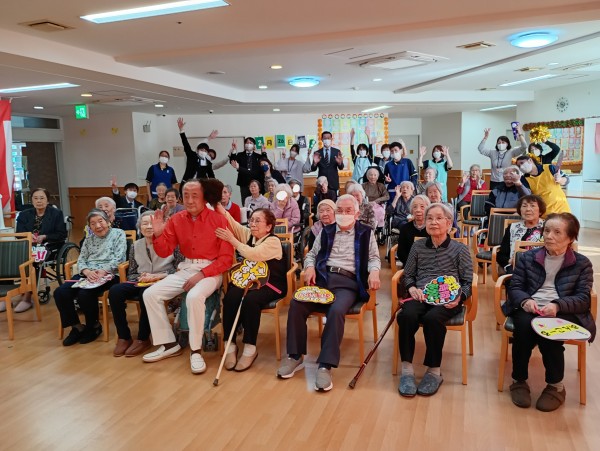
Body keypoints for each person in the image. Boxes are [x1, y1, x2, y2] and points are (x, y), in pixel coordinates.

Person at [277, 195, 381, 392]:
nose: (343, 214)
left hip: (348, 283)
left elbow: (374, 258)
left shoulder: (366, 232)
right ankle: (295, 356)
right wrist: (309, 267)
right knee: (297, 303)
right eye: (339, 210)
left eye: (348, 210)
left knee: (336, 310)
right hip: (323, 279)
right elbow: (311, 254)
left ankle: (325, 365)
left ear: (357, 214)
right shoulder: (327, 231)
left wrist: (374, 272)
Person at [142, 179, 234, 374]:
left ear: (204, 197)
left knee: (193, 296)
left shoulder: (218, 220)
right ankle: (169, 344)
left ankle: (196, 350)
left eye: (195, 196)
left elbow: (226, 259)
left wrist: (202, 274)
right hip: (186, 268)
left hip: (212, 270)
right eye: (186, 196)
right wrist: (158, 234)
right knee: (150, 294)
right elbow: (165, 251)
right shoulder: (177, 219)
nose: (190, 200)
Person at [507, 213, 594, 412]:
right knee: (523, 328)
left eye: (557, 232)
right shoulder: (528, 257)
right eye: (546, 230)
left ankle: (556, 386)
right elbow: (515, 287)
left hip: (562, 310)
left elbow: (583, 298)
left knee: (550, 335)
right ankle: (518, 380)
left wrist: (557, 305)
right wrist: (526, 301)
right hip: (531, 306)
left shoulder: (582, 264)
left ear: (570, 238)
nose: (549, 236)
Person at [397, 203, 473, 397]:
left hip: (449, 298)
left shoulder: (460, 249)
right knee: (406, 315)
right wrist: (412, 288)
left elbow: (467, 282)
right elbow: (408, 274)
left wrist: (460, 298)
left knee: (432, 319)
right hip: (421, 294)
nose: (433, 222)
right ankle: (407, 369)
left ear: (449, 223)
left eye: (439, 218)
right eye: (429, 218)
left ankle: (434, 371)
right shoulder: (418, 246)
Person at [215, 206, 287, 371]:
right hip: (249, 280)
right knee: (230, 297)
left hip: (271, 284)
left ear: (268, 227)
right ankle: (230, 344)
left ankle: (250, 348)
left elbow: (254, 254)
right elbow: (232, 223)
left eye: (257, 221)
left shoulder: (273, 241)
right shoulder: (249, 235)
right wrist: (216, 203)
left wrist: (232, 240)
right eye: (251, 220)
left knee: (250, 300)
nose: (253, 224)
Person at [109, 211, 182, 357]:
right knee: (115, 291)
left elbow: (180, 268)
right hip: (142, 281)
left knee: (145, 294)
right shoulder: (136, 245)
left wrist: (158, 276)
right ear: (140, 228)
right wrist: (142, 277)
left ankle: (143, 338)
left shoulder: (172, 243)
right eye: (144, 223)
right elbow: (131, 272)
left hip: (164, 281)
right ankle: (124, 337)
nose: (149, 226)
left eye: (152, 223)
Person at [54, 209, 126, 346]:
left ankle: (93, 326)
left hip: (109, 273)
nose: (98, 226)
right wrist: (86, 271)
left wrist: (103, 271)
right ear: (89, 227)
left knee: (84, 294)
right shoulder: (88, 239)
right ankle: (76, 327)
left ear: (108, 222)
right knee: (60, 292)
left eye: (100, 221)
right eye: (93, 223)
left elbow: (120, 257)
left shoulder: (119, 234)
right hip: (87, 273)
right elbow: (81, 259)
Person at [9, 188, 67, 313]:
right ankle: (5, 296)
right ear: (31, 200)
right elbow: (19, 234)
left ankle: (27, 297)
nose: (39, 201)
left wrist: (45, 236)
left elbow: (62, 234)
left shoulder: (56, 214)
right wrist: (29, 236)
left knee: (33, 261)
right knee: (7, 258)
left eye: (42, 198)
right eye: (35, 198)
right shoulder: (24, 214)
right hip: (27, 246)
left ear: (47, 200)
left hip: (49, 246)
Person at [497, 195, 545, 274]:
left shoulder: (547, 228)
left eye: (532, 206)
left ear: (540, 211)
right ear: (520, 210)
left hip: (539, 268)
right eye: (524, 206)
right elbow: (501, 255)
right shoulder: (512, 227)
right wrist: (510, 261)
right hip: (515, 267)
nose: (528, 209)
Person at [177, 117, 216, 183]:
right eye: (201, 150)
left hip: (200, 185)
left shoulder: (208, 162)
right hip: (188, 183)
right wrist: (181, 130)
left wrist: (215, 185)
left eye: (205, 151)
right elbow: (186, 144)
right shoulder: (192, 155)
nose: (203, 152)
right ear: (197, 150)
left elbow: (211, 176)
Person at [395, 195, 431, 266]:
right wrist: (412, 265)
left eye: (422, 207)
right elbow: (401, 252)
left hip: (431, 267)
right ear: (411, 210)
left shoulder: (433, 227)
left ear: (428, 210)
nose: (418, 210)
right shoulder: (405, 228)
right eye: (415, 207)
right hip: (410, 266)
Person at [230, 137, 267, 201]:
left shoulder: (258, 156)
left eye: (250, 143)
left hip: (256, 182)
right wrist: (234, 150)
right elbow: (233, 161)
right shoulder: (240, 155)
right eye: (247, 143)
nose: (248, 144)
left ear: (254, 145)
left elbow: (265, 162)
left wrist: (263, 152)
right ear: (244, 145)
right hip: (244, 182)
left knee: (258, 200)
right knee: (245, 201)